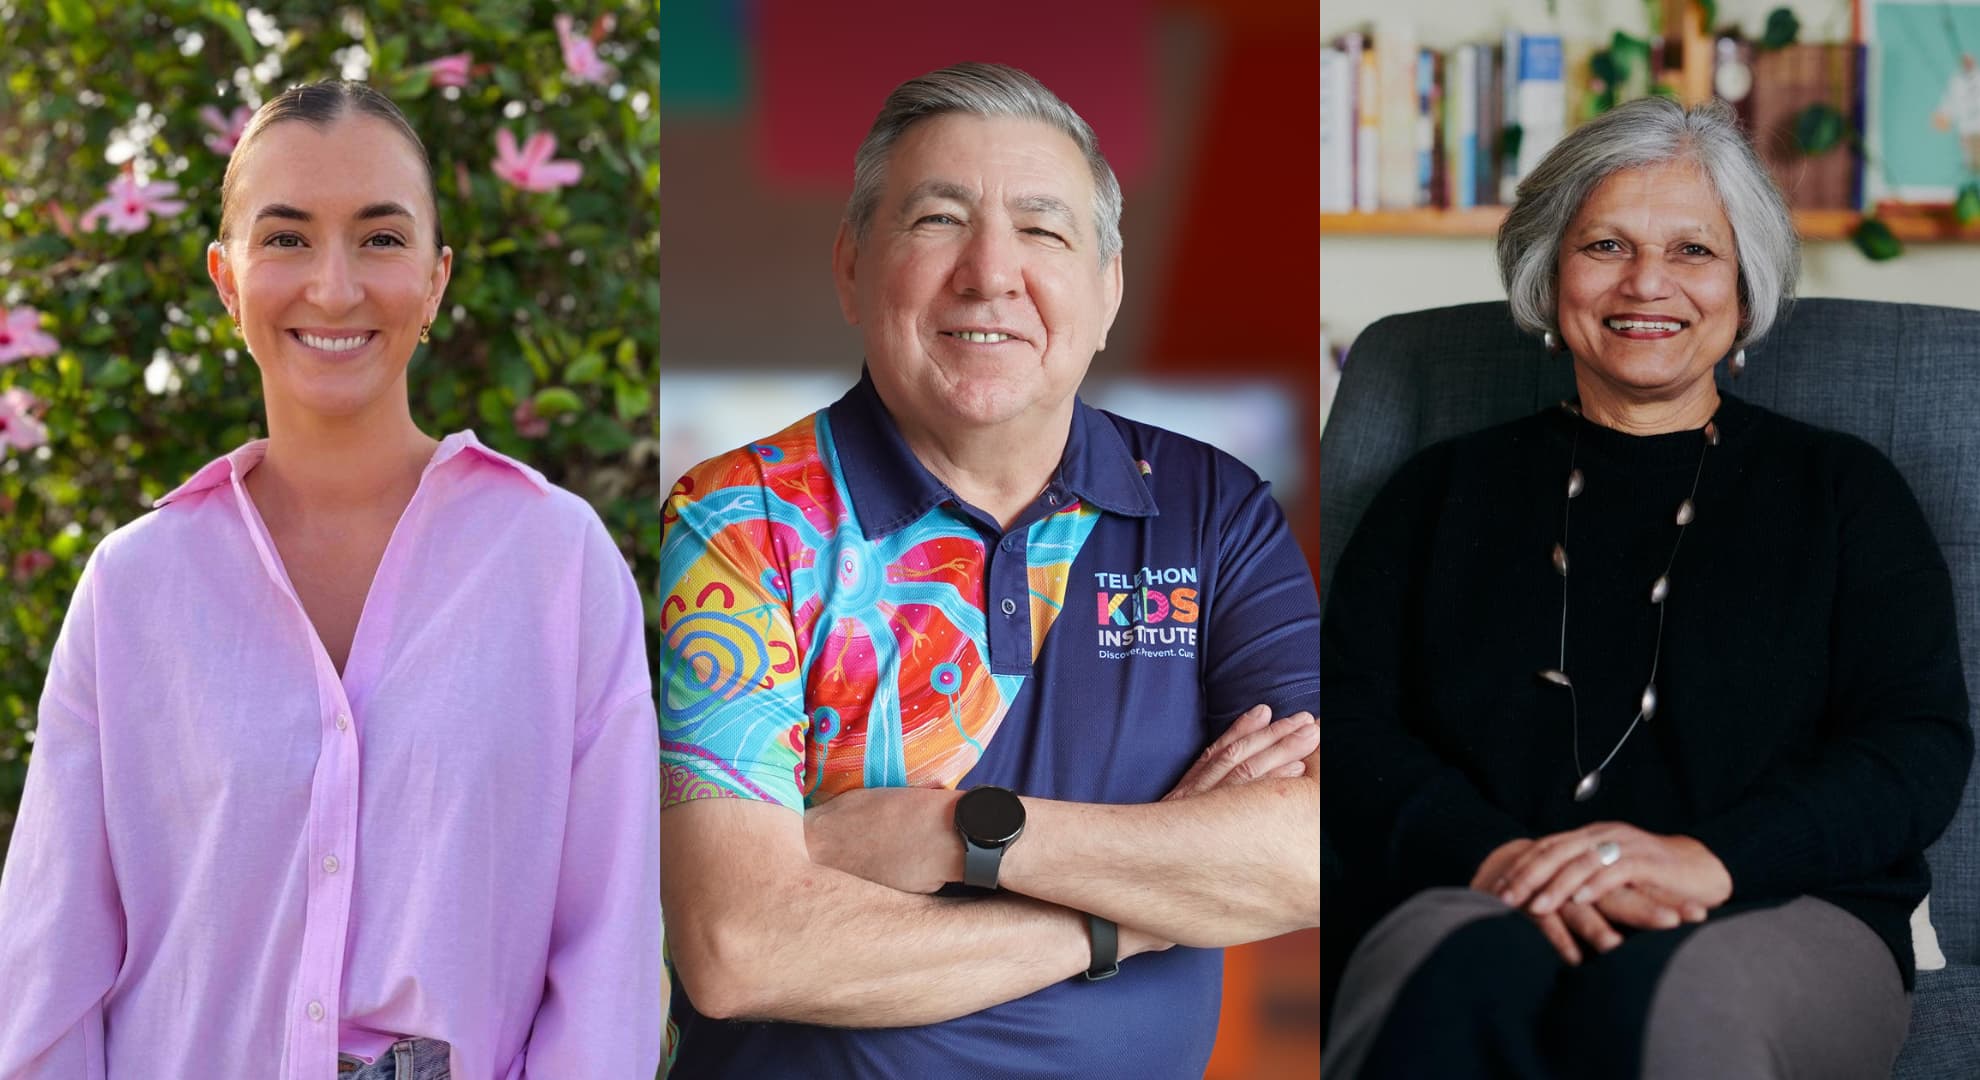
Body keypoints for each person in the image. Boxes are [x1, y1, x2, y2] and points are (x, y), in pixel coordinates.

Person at [657, 62, 1320, 1078]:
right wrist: (1123, 925)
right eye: (937, 220)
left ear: (1108, 292)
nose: (990, 273)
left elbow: (1310, 857)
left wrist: (961, 836)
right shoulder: (744, 520)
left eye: (1045, 230)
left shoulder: (1212, 509)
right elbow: (738, 950)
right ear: (851, 268)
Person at [0, 81, 661, 1079]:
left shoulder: (558, 566)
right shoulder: (133, 590)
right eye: (288, 238)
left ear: (436, 280)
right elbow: (48, 977)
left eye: (382, 239)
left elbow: (607, 969)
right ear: (227, 279)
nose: (336, 286)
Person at [1321, 95, 1972, 1078]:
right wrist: (1500, 860)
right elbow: (1349, 728)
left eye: (1694, 252)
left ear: (1747, 289)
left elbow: (1913, 746)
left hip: (1781, 903)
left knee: (1662, 1007)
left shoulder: (1843, 493)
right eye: (1607, 246)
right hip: (1480, 888)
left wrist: (1711, 861)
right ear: (1549, 275)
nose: (1648, 285)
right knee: (1446, 986)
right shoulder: (1438, 494)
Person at [1930, 53, 1980, 177]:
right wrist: (1942, 115)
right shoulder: (1956, 81)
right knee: (1970, 161)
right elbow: (1949, 100)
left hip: (1977, 125)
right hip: (1965, 127)